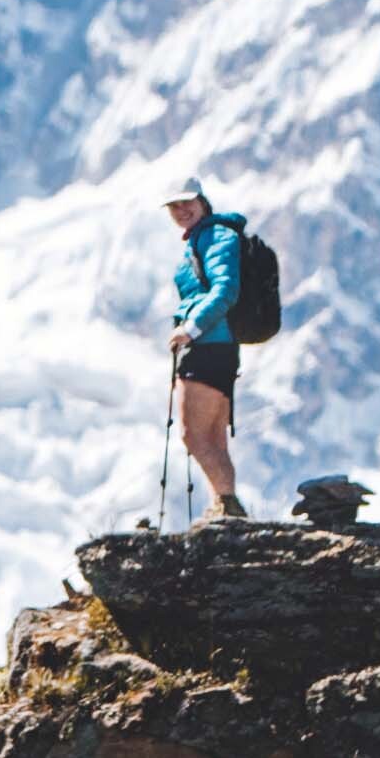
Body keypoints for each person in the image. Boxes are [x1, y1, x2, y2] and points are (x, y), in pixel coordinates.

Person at [163, 178, 246, 522]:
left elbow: (226, 289)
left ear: (203, 202)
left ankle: (228, 505)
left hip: (207, 345)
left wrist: (190, 329)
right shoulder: (206, 237)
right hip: (221, 347)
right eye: (174, 206)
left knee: (193, 434)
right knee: (213, 436)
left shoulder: (215, 236)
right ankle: (222, 508)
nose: (182, 210)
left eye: (188, 202)